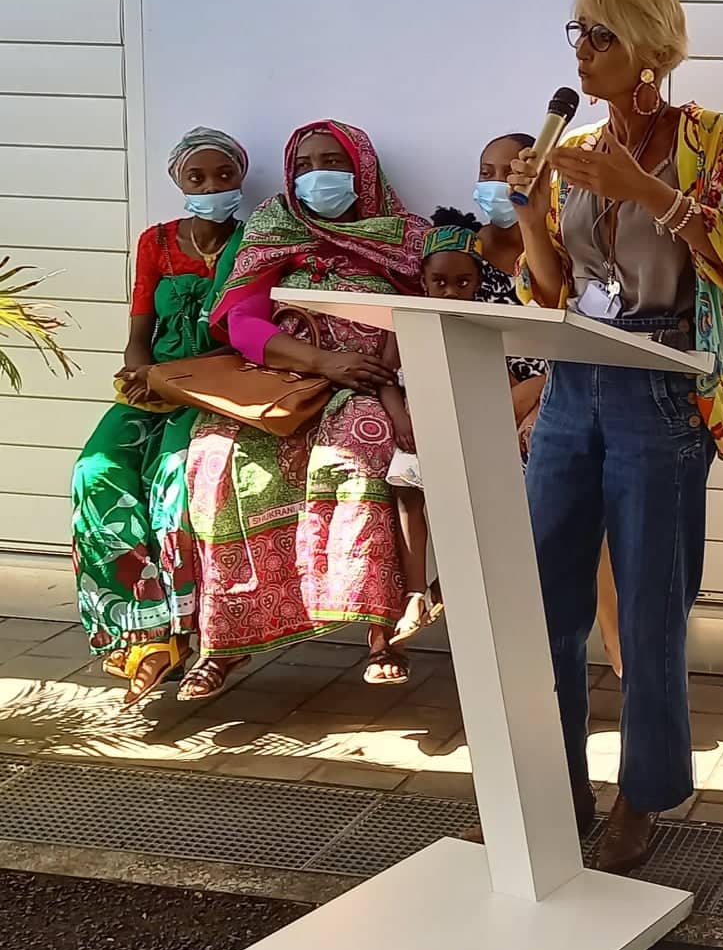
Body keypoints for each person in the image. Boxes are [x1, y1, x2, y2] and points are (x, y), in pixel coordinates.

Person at [509, 0, 723, 873]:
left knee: (652, 606)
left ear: (650, 51)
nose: (582, 52)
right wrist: (527, 214)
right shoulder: (576, 149)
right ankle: (556, 787)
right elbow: (550, 286)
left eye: (601, 36)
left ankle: (642, 794)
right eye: (576, 34)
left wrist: (647, 191)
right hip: (572, 383)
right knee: (545, 598)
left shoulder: (707, 140)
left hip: (660, 387)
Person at [181, 121, 427, 696]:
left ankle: (382, 635)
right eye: (306, 165)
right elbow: (242, 322)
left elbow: (423, 314)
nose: (318, 174)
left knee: (364, 445)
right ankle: (223, 643)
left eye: (333, 162)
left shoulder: (408, 237)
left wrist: (379, 379)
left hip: (369, 381)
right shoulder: (274, 226)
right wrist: (322, 362)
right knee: (215, 458)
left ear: (363, 169)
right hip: (284, 377)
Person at [70, 129, 249, 705]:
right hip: (151, 386)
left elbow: (248, 339)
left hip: (216, 389)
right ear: (178, 181)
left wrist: (180, 380)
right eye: (197, 177)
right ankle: (135, 631)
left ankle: (182, 633)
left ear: (240, 178)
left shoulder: (253, 244)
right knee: (95, 472)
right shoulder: (157, 242)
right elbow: (138, 334)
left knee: (173, 481)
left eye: (224, 175)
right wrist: (142, 372)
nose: (211, 187)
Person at [477, 135, 624, 678]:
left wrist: (538, 394)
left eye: (508, 171)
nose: (497, 184)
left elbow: (570, 324)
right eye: (485, 172)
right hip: (489, 398)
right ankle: (517, 650)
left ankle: (612, 632)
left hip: (559, 390)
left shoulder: (567, 239)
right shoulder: (458, 254)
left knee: (589, 480)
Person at [376, 208, 486, 643]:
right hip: (417, 427)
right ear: (422, 279)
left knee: (467, 503)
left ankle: (448, 586)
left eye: (463, 282)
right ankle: (415, 591)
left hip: (465, 426)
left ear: (478, 281)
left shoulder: (483, 323)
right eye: (439, 282)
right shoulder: (407, 318)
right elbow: (387, 377)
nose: (451, 291)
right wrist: (401, 418)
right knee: (408, 493)